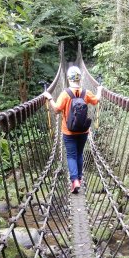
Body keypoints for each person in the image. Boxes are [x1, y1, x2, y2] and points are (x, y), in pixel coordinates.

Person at [44, 66, 103, 194]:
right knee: (80, 154)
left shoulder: (65, 94)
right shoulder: (86, 93)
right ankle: (80, 179)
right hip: (83, 131)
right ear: (80, 78)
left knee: (71, 155)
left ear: (68, 78)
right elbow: (96, 100)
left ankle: (74, 180)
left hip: (68, 131)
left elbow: (57, 109)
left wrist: (49, 97)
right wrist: (99, 89)